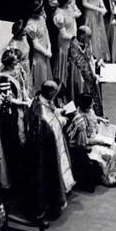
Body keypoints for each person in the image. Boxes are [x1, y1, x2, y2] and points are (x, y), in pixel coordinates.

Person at [24, 80, 75, 220]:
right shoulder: (41, 111)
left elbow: (52, 114)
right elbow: (51, 126)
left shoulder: (42, 100)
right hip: (46, 152)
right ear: (51, 92)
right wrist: (63, 120)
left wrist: (59, 112)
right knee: (49, 176)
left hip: (52, 145)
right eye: (55, 92)